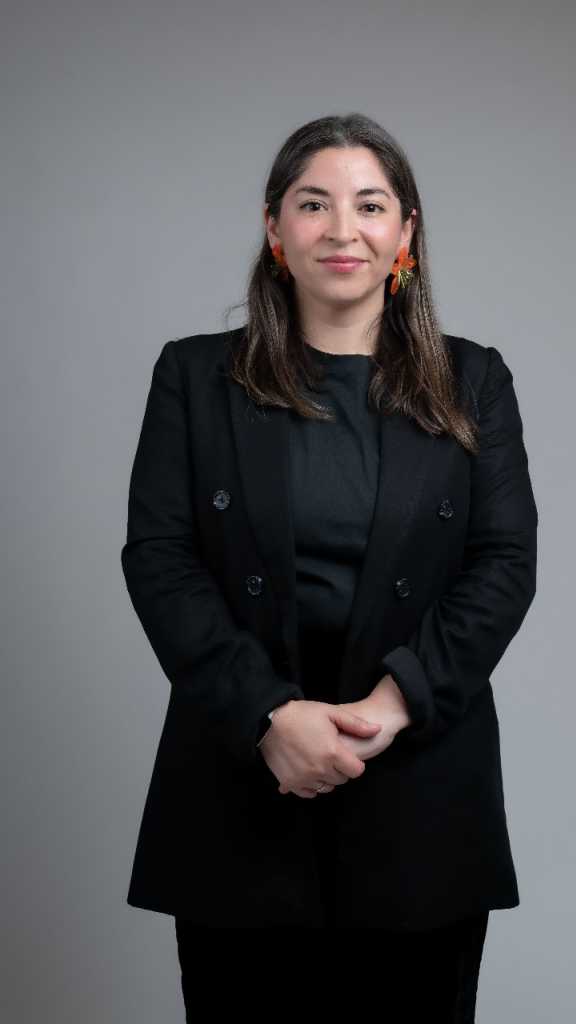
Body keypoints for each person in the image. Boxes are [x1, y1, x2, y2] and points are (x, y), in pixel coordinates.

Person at [121, 112, 538, 1022]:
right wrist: (269, 715)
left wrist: (391, 706)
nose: (342, 229)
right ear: (275, 228)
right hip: (241, 776)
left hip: (418, 780)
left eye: (370, 205)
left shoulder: (473, 381)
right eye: (313, 204)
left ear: (405, 233)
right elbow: (159, 559)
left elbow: (503, 565)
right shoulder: (195, 377)